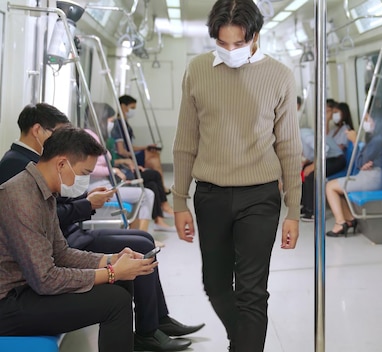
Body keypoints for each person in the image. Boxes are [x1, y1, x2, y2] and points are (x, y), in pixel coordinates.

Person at [0, 104, 204, 351]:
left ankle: (146, 331)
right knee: (115, 300)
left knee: (119, 287)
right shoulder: (21, 196)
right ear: (62, 164)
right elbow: (46, 279)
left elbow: (61, 253)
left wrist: (111, 259)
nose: (85, 180)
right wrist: (111, 272)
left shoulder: (44, 192)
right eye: (85, 172)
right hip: (10, 303)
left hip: (29, 289)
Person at [171, 0, 301, 350]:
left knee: (252, 292)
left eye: (238, 43)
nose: (230, 51)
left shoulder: (280, 76)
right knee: (214, 284)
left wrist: (293, 210)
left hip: (259, 196)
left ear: (255, 36)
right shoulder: (197, 70)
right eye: (222, 43)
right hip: (210, 194)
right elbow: (186, 141)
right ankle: (241, 340)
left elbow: (289, 147)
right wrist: (179, 200)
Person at [325, 113, 382, 236]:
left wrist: (355, 141)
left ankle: (340, 222)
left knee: (330, 187)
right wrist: (362, 162)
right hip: (367, 175)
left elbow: (360, 160)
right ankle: (349, 219)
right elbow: (359, 162)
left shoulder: (378, 140)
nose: (366, 123)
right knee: (334, 187)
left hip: (372, 178)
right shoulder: (374, 139)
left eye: (368, 120)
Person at [111, 95, 169, 192]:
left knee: (153, 154)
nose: (133, 111)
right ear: (123, 106)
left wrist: (145, 147)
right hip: (125, 158)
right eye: (132, 108)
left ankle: (160, 185)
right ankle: (161, 186)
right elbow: (122, 151)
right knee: (153, 157)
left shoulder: (125, 123)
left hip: (128, 154)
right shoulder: (118, 125)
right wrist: (136, 154)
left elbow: (129, 147)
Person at [299, 127, 346, 221]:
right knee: (304, 170)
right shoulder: (300, 135)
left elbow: (324, 149)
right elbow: (314, 151)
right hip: (327, 158)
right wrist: (308, 162)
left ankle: (312, 212)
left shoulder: (304, 135)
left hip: (336, 159)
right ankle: (305, 206)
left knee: (312, 175)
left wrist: (313, 166)